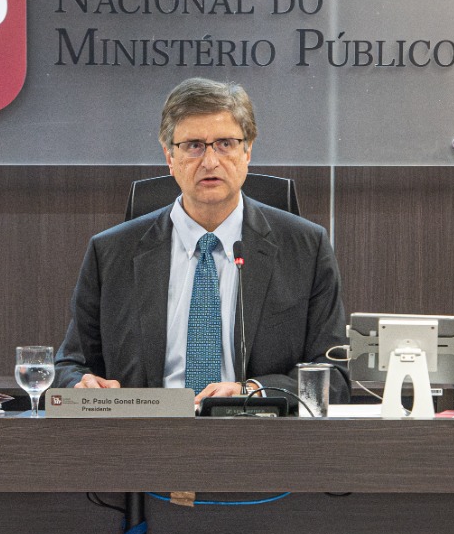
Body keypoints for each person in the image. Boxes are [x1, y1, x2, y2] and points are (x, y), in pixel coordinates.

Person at [54, 78, 347, 404]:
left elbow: (333, 375)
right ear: (169, 156)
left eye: (225, 143)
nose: (210, 162)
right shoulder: (111, 253)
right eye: (193, 145)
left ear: (248, 150)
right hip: (147, 430)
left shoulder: (306, 249)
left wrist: (253, 391)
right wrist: (82, 385)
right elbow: (71, 365)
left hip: (256, 429)